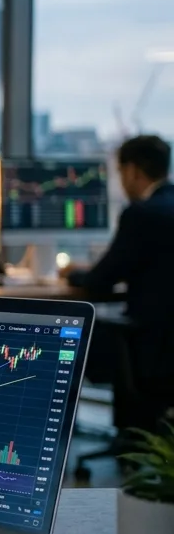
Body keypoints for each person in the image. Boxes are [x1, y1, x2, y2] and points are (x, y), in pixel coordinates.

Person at [66, 135, 174, 404]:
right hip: (167, 345)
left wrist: (71, 274)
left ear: (131, 170)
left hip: (151, 347)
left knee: (65, 335)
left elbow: (99, 281)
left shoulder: (141, 214)